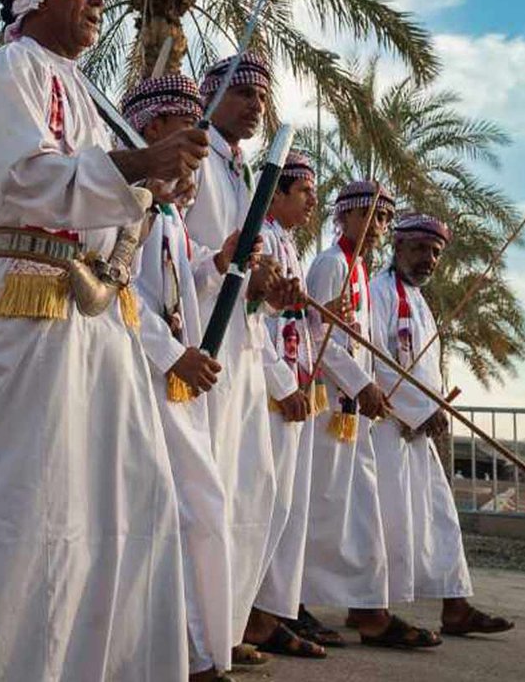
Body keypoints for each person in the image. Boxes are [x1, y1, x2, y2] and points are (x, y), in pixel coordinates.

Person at [0, 0, 207, 680]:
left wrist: (157, 186)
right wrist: (143, 165)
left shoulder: (77, 88)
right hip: (27, 302)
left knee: (115, 501)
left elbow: (104, 199)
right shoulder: (9, 70)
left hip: (94, 311)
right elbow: (27, 179)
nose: (98, 1)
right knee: (20, 508)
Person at [122, 73, 237, 681]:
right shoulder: (131, 206)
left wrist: (218, 261)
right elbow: (117, 291)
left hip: (175, 385)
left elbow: (180, 278)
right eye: (185, 130)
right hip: (142, 381)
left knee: (198, 510)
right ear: (151, 131)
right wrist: (173, 355)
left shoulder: (167, 214)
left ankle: (197, 650)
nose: (197, 145)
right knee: (168, 514)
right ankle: (175, 656)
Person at [182, 53, 295, 664]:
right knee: (210, 491)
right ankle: (195, 636)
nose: (255, 105)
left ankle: (224, 627)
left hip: (245, 346)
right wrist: (227, 265)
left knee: (255, 489)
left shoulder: (246, 174)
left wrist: (268, 286)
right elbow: (176, 246)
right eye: (244, 92)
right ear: (213, 92)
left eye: (262, 96)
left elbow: (243, 264)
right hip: (205, 339)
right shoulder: (195, 158)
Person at [303, 181, 440, 649]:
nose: (378, 227)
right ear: (343, 219)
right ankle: (329, 609)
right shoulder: (330, 264)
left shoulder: (356, 269)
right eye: (369, 217)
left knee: (355, 513)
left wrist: (370, 388)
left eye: (384, 218)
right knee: (325, 511)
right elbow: (318, 338)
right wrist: (363, 386)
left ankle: (366, 609)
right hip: (328, 410)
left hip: (354, 413)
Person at [368, 213, 514, 639]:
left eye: (435, 253)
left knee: (440, 517)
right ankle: (369, 611)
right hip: (385, 428)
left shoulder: (419, 302)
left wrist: (434, 407)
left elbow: (423, 367)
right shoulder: (378, 293)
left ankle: (455, 606)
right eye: (419, 249)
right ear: (396, 248)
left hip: (416, 432)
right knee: (384, 521)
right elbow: (374, 359)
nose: (428, 259)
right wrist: (418, 409)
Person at [245, 151, 330, 657]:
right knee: (263, 499)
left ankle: (274, 608)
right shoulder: (264, 235)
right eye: (304, 195)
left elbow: (293, 317)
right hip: (269, 383)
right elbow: (263, 320)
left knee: (285, 507)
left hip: (294, 381)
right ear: (276, 193)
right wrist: (281, 382)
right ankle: (252, 611)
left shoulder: (291, 245)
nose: (310, 206)